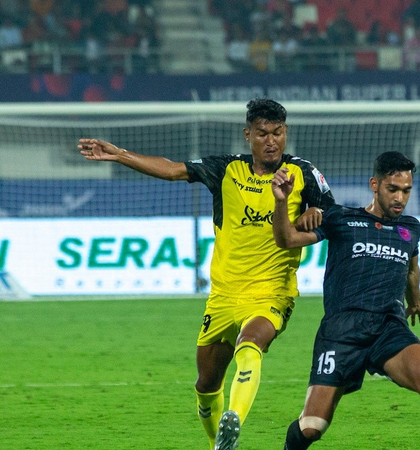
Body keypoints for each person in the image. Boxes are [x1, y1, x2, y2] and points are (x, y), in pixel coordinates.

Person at [78, 98, 335, 450]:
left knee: (251, 343)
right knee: (206, 384)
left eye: (278, 133)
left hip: (272, 292)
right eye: (262, 133)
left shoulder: (303, 172)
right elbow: (172, 170)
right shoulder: (227, 169)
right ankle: (221, 443)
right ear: (248, 135)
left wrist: (316, 212)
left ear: (286, 133)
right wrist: (120, 155)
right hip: (223, 295)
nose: (271, 141)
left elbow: (335, 214)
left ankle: (235, 417)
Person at [271, 152, 420, 450]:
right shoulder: (341, 218)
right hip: (342, 332)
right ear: (375, 185)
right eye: (393, 189)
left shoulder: (411, 227)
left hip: (388, 327)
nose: (400, 198)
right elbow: (287, 240)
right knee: (312, 427)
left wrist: (416, 302)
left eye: (406, 191)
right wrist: (281, 202)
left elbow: (411, 268)